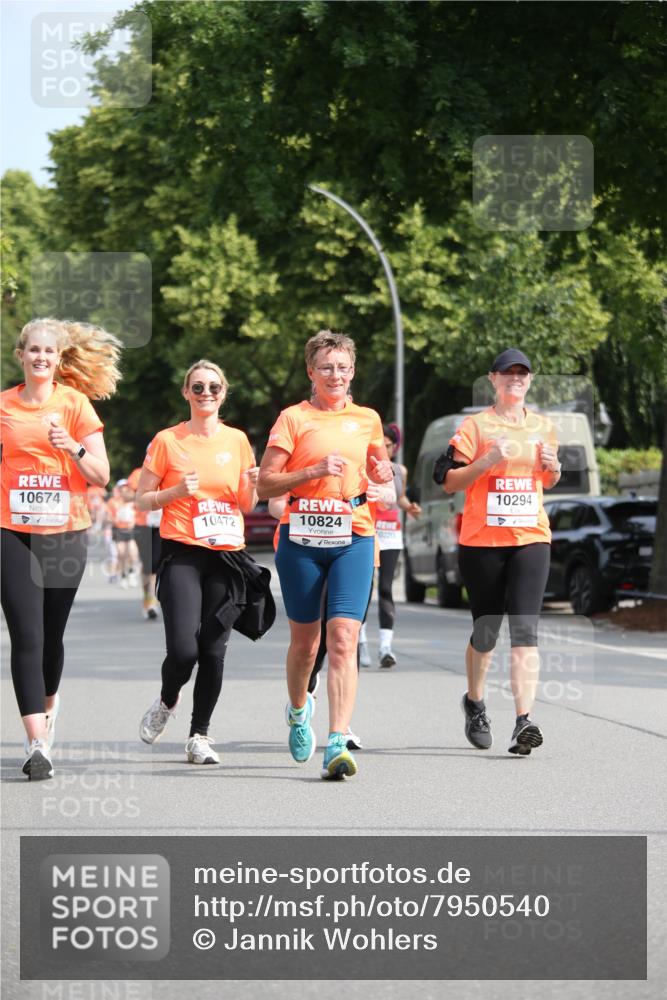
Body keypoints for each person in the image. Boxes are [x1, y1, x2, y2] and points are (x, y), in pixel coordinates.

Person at [257, 329, 393, 780]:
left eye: (343, 367)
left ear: (353, 372)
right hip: (301, 539)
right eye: (327, 367)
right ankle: (299, 711)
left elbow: (383, 479)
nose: (336, 375)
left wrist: (383, 479)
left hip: (354, 533)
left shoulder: (368, 419)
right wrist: (313, 469)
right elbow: (265, 484)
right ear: (311, 372)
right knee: (305, 643)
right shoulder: (293, 419)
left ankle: (337, 739)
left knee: (343, 638)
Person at [0, 317, 120, 779]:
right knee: (26, 635)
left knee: (50, 637)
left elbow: (102, 475)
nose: (41, 358)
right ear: (21, 355)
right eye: (33, 351)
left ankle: (48, 710)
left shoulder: (75, 405)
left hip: (66, 532)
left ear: (58, 359)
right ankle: (36, 743)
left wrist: (72, 447)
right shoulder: (5, 406)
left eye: (49, 352)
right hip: (12, 532)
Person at [135, 359, 272, 766]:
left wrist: (252, 486)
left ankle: (199, 734)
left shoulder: (237, 441)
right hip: (182, 553)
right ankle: (167, 699)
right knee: (183, 651)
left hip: (227, 556)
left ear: (223, 393)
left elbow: (247, 504)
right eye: (198, 387)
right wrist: (175, 490)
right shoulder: (167, 441)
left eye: (214, 387)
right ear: (186, 393)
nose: (206, 394)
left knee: (213, 650)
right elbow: (141, 499)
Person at [439, 348, 561, 755]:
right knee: (487, 631)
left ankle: (523, 722)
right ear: (493, 379)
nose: (515, 378)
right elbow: (451, 482)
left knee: (525, 629)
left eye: (522, 373)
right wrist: (487, 460)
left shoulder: (544, 426)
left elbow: (550, 478)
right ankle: (475, 702)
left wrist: (554, 466)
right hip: (482, 542)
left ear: (529, 380)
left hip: (531, 537)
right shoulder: (475, 427)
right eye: (507, 373)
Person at [358, 422, 422, 669]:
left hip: (391, 533)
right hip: (369, 529)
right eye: (379, 445)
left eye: (388, 445)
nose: (384, 448)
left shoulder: (399, 470)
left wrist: (410, 508)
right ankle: (360, 642)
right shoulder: (365, 467)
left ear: (395, 447)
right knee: (364, 588)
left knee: (385, 588)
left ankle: (386, 647)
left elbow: (399, 496)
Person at [128, 464, 161, 620]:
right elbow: (129, 493)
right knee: (148, 566)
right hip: (143, 525)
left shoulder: (173, 471)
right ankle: (148, 599)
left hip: (162, 524)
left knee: (157, 564)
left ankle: (153, 600)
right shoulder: (138, 473)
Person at [107, 478, 140, 587]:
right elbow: (109, 516)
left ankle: (131, 572)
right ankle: (123, 575)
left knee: (132, 552)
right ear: (119, 489)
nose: (124, 489)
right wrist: (114, 519)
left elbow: (138, 513)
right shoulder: (113, 501)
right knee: (121, 553)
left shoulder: (132, 500)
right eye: (122, 487)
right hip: (118, 530)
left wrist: (134, 520)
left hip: (130, 529)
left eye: (126, 486)